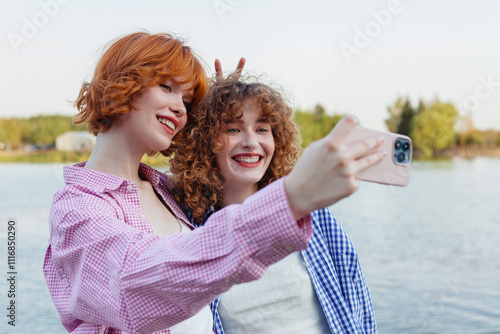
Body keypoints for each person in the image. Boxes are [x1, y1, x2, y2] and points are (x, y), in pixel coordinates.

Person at [43, 32, 386, 334]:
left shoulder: (168, 193)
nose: (179, 108)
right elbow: (139, 282)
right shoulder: (78, 209)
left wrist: (224, 108)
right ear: (122, 82)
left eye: (188, 102)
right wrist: (290, 198)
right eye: (167, 87)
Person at [169, 76, 378, 333]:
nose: (250, 141)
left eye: (262, 129)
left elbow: (355, 295)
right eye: (233, 129)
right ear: (206, 141)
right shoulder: (188, 229)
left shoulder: (311, 214)